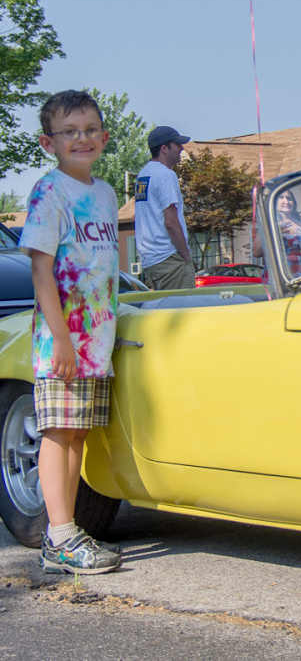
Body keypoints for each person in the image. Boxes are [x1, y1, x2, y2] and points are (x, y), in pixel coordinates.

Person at [19, 90, 122, 574]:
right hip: (62, 341)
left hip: (95, 341)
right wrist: (60, 338)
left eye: (89, 130)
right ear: (48, 142)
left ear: (103, 136)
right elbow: (42, 271)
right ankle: (58, 535)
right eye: (69, 132)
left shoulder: (104, 193)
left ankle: (67, 532)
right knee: (57, 434)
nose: (81, 139)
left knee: (77, 434)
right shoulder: (50, 191)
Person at [134, 126, 194, 290]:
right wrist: (186, 255)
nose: (182, 148)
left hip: (151, 261)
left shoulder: (143, 175)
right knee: (184, 313)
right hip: (170, 259)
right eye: (177, 145)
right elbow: (171, 222)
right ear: (164, 148)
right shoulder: (166, 175)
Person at [275, 189, 301, 276]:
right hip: (281, 270)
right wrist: (276, 234)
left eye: (289, 198)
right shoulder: (270, 223)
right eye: (281, 198)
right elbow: (257, 252)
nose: (286, 202)